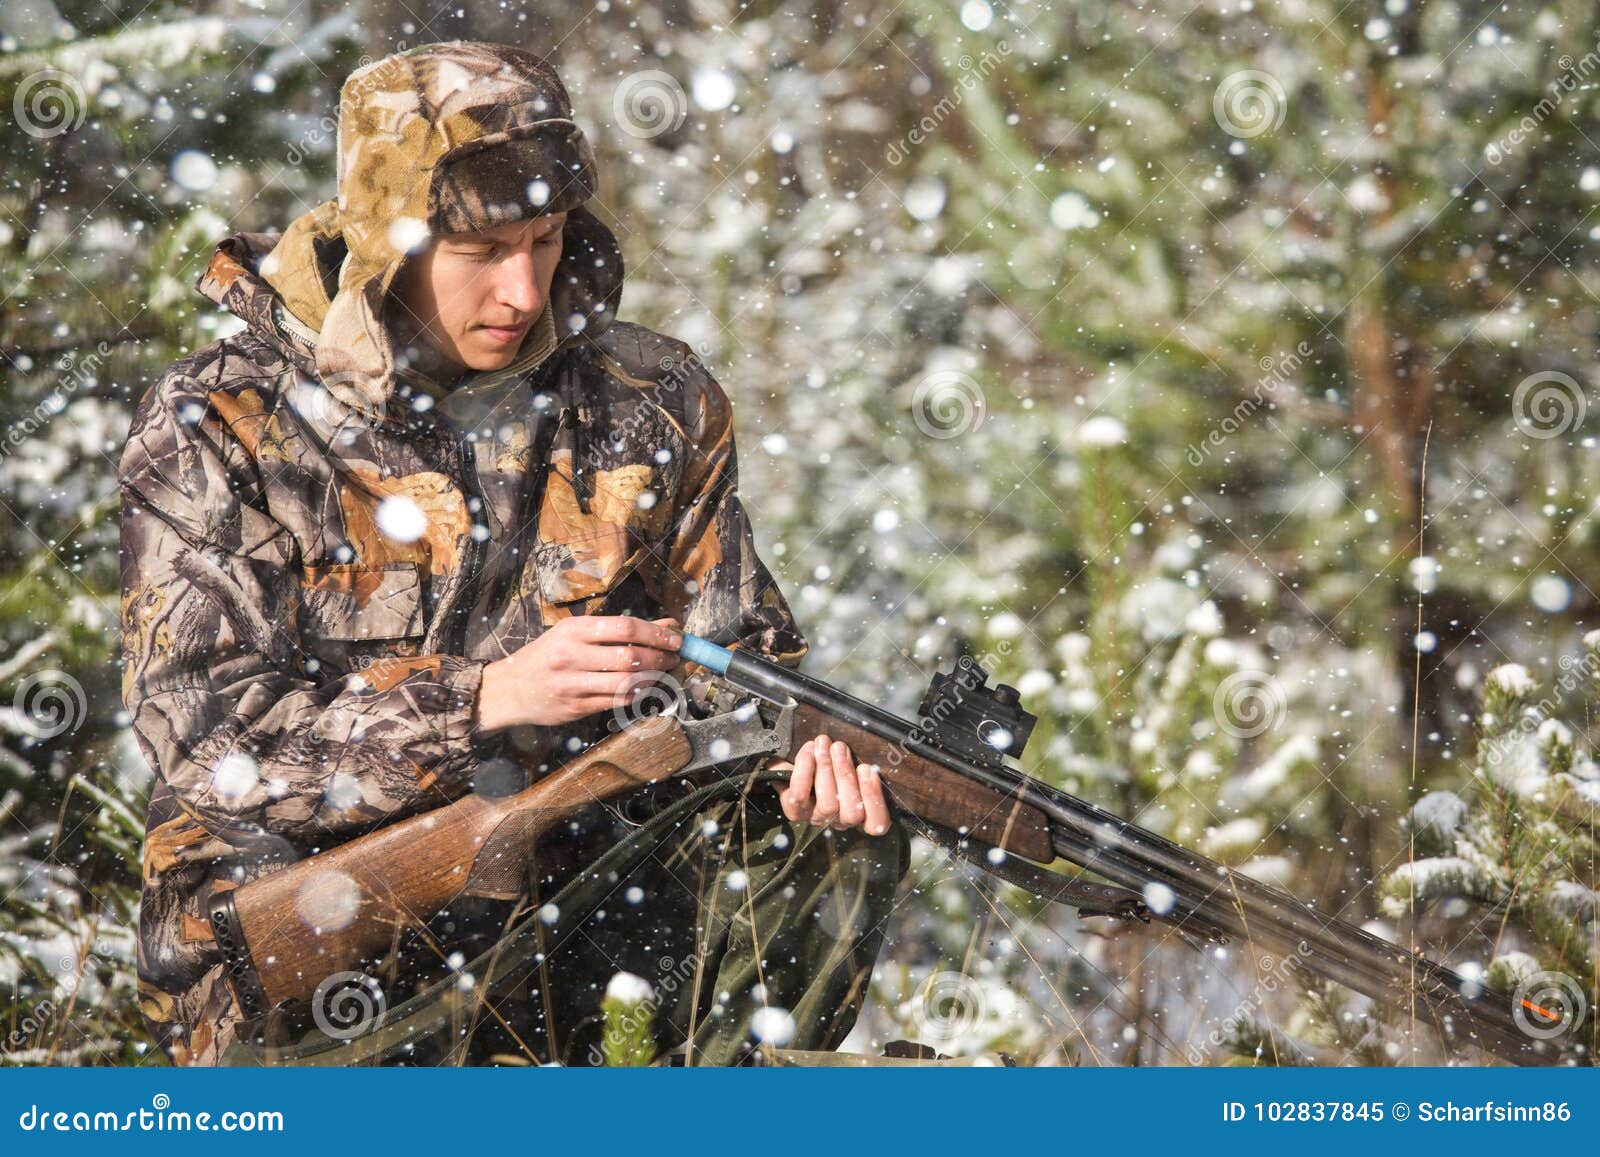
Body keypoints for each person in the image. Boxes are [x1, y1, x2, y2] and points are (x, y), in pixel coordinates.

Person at [120, 41, 909, 1066]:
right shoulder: (220, 423)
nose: (524, 289)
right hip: (300, 924)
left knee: (835, 852)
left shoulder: (651, 401)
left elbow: (740, 677)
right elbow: (210, 744)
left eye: (545, 239)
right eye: (481, 251)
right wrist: (481, 703)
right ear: (386, 238)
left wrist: (799, 782)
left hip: (583, 885)